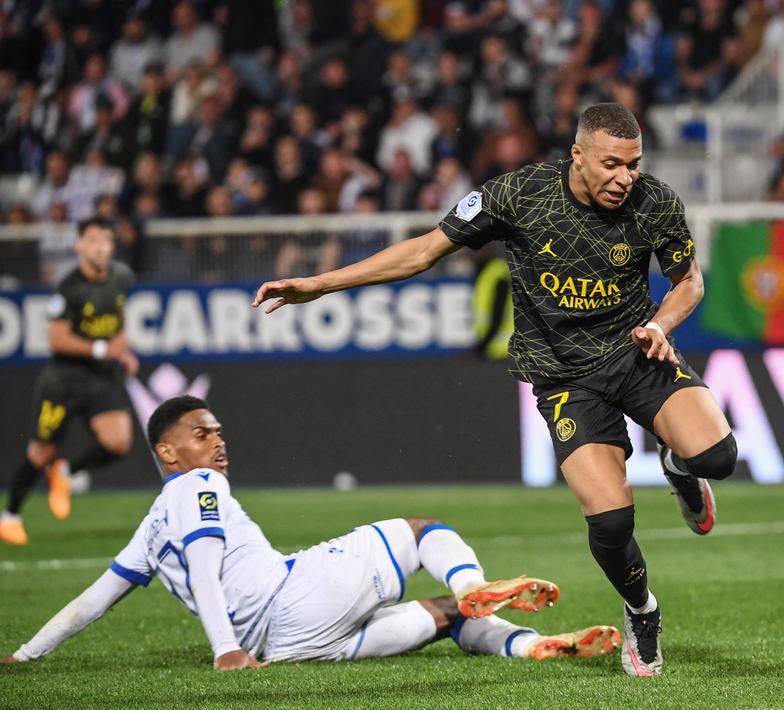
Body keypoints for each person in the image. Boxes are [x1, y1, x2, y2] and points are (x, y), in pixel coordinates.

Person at [252, 103, 737, 676]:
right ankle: (641, 609)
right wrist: (319, 284)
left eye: (633, 165)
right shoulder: (517, 195)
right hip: (564, 378)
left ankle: (680, 468)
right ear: (577, 155)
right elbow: (425, 250)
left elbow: (689, 281)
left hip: (636, 350)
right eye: (611, 165)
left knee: (719, 457)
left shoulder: (654, 201)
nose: (624, 178)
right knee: (610, 525)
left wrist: (661, 324)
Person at [1, 396, 619, 670]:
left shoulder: (148, 529)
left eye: (219, 432)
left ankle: (529, 645)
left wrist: (26, 653)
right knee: (421, 529)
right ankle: (475, 583)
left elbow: (94, 600)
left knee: (446, 619)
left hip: (293, 646)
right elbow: (207, 571)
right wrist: (225, 651)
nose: (218, 441)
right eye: (201, 434)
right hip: (293, 597)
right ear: (168, 451)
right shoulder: (197, 487)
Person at [1, 218, 139, 546]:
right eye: (92, 240)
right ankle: (10, 515)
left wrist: (124, 351)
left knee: (118, 441)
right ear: (79, 246)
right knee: (40, 453)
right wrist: (104, 348)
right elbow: (56, 339)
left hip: (99, 376)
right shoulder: (68, 288)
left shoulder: (121, 277)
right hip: (63, 381)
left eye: (106, 240)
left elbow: (117, 316)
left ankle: (66, 472)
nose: (100, 247)